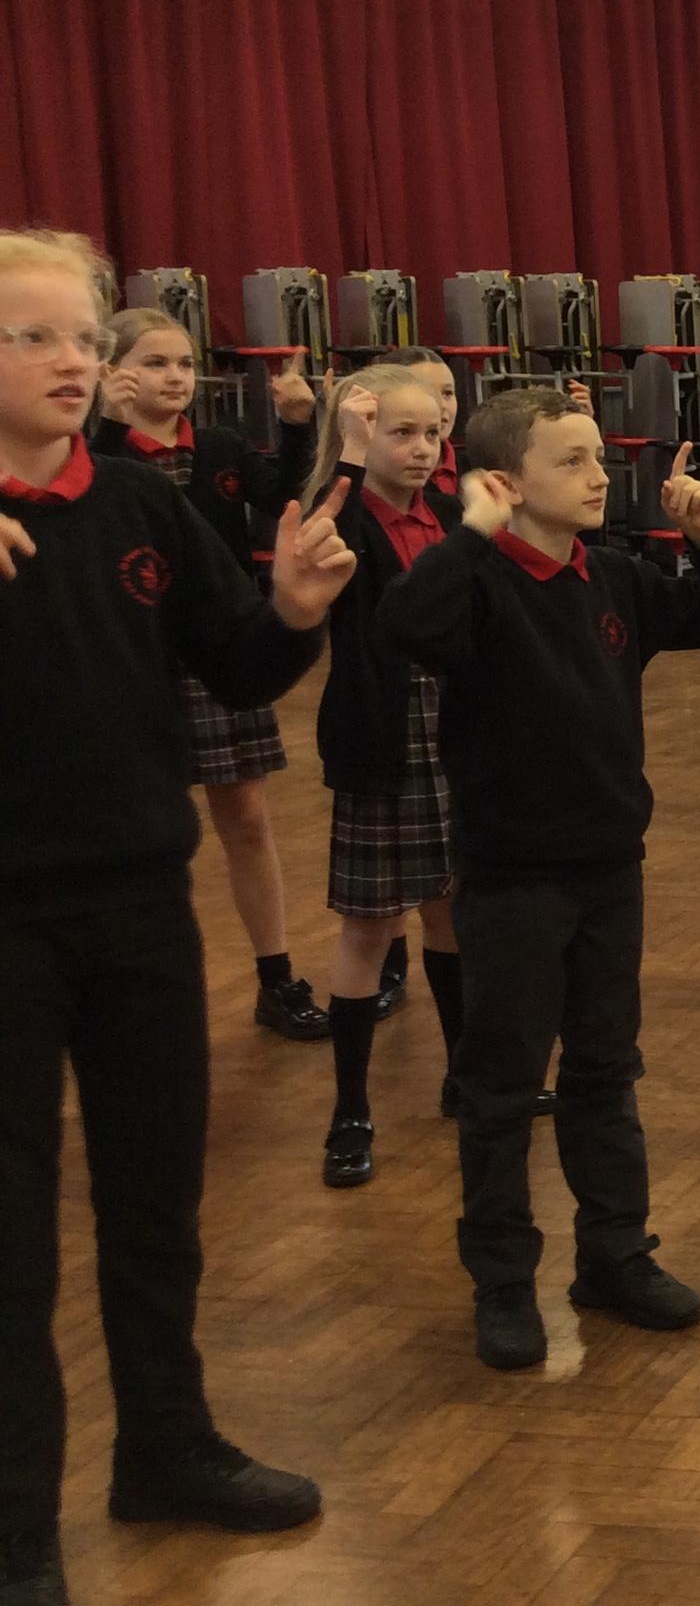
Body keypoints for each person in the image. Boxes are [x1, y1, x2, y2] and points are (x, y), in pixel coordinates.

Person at [1, 229, 356, 1606]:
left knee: (155, 1204)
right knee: (12, 1238)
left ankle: (165, 1445)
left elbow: (240, 665)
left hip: (142, 908)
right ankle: (16, 1525)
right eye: (34, 336)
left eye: (83, 337)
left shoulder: (142, 506)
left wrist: (294, 612)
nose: (73, 361)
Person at [381, 387, 700, 1372]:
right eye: (573, 461)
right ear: (506, 483)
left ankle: (615, 1254)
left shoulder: (616, 577)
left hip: (609, 869)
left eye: (599, 457)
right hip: (511, 881)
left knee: (604, 1069)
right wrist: (470, 533)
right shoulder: (476, 583)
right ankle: (504, 1283)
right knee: (503, 1087)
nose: (601, 476)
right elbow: (406, 624)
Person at [92, 313, 326, 1040]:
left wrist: (297, 427)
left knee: (247, 819)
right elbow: (90, 513)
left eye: (183, 364)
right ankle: (128, 994)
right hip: (132, 661)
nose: (175, 378)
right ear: (112, 373)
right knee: (138, 832)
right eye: (154, 363)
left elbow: (285, 496)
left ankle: (275, 977)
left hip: (217, 652)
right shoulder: (93, 451)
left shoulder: (218, 445)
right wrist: (107, 426)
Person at [306, 364, 461, 1188]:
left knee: (452, 908)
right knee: (368, 927)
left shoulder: (449, 516)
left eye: (430, 432)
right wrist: (350, 454)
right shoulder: (349, 519)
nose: (421, 448)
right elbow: (323, 549)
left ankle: (465, 1076)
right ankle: (351, 1109)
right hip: (380, 740)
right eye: (400, 433)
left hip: (455, 738)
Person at [384, 345, 461, 499]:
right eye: (427, 393)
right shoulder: (378, 479)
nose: (442, 405)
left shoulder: (479, 465)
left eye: (447, 393)